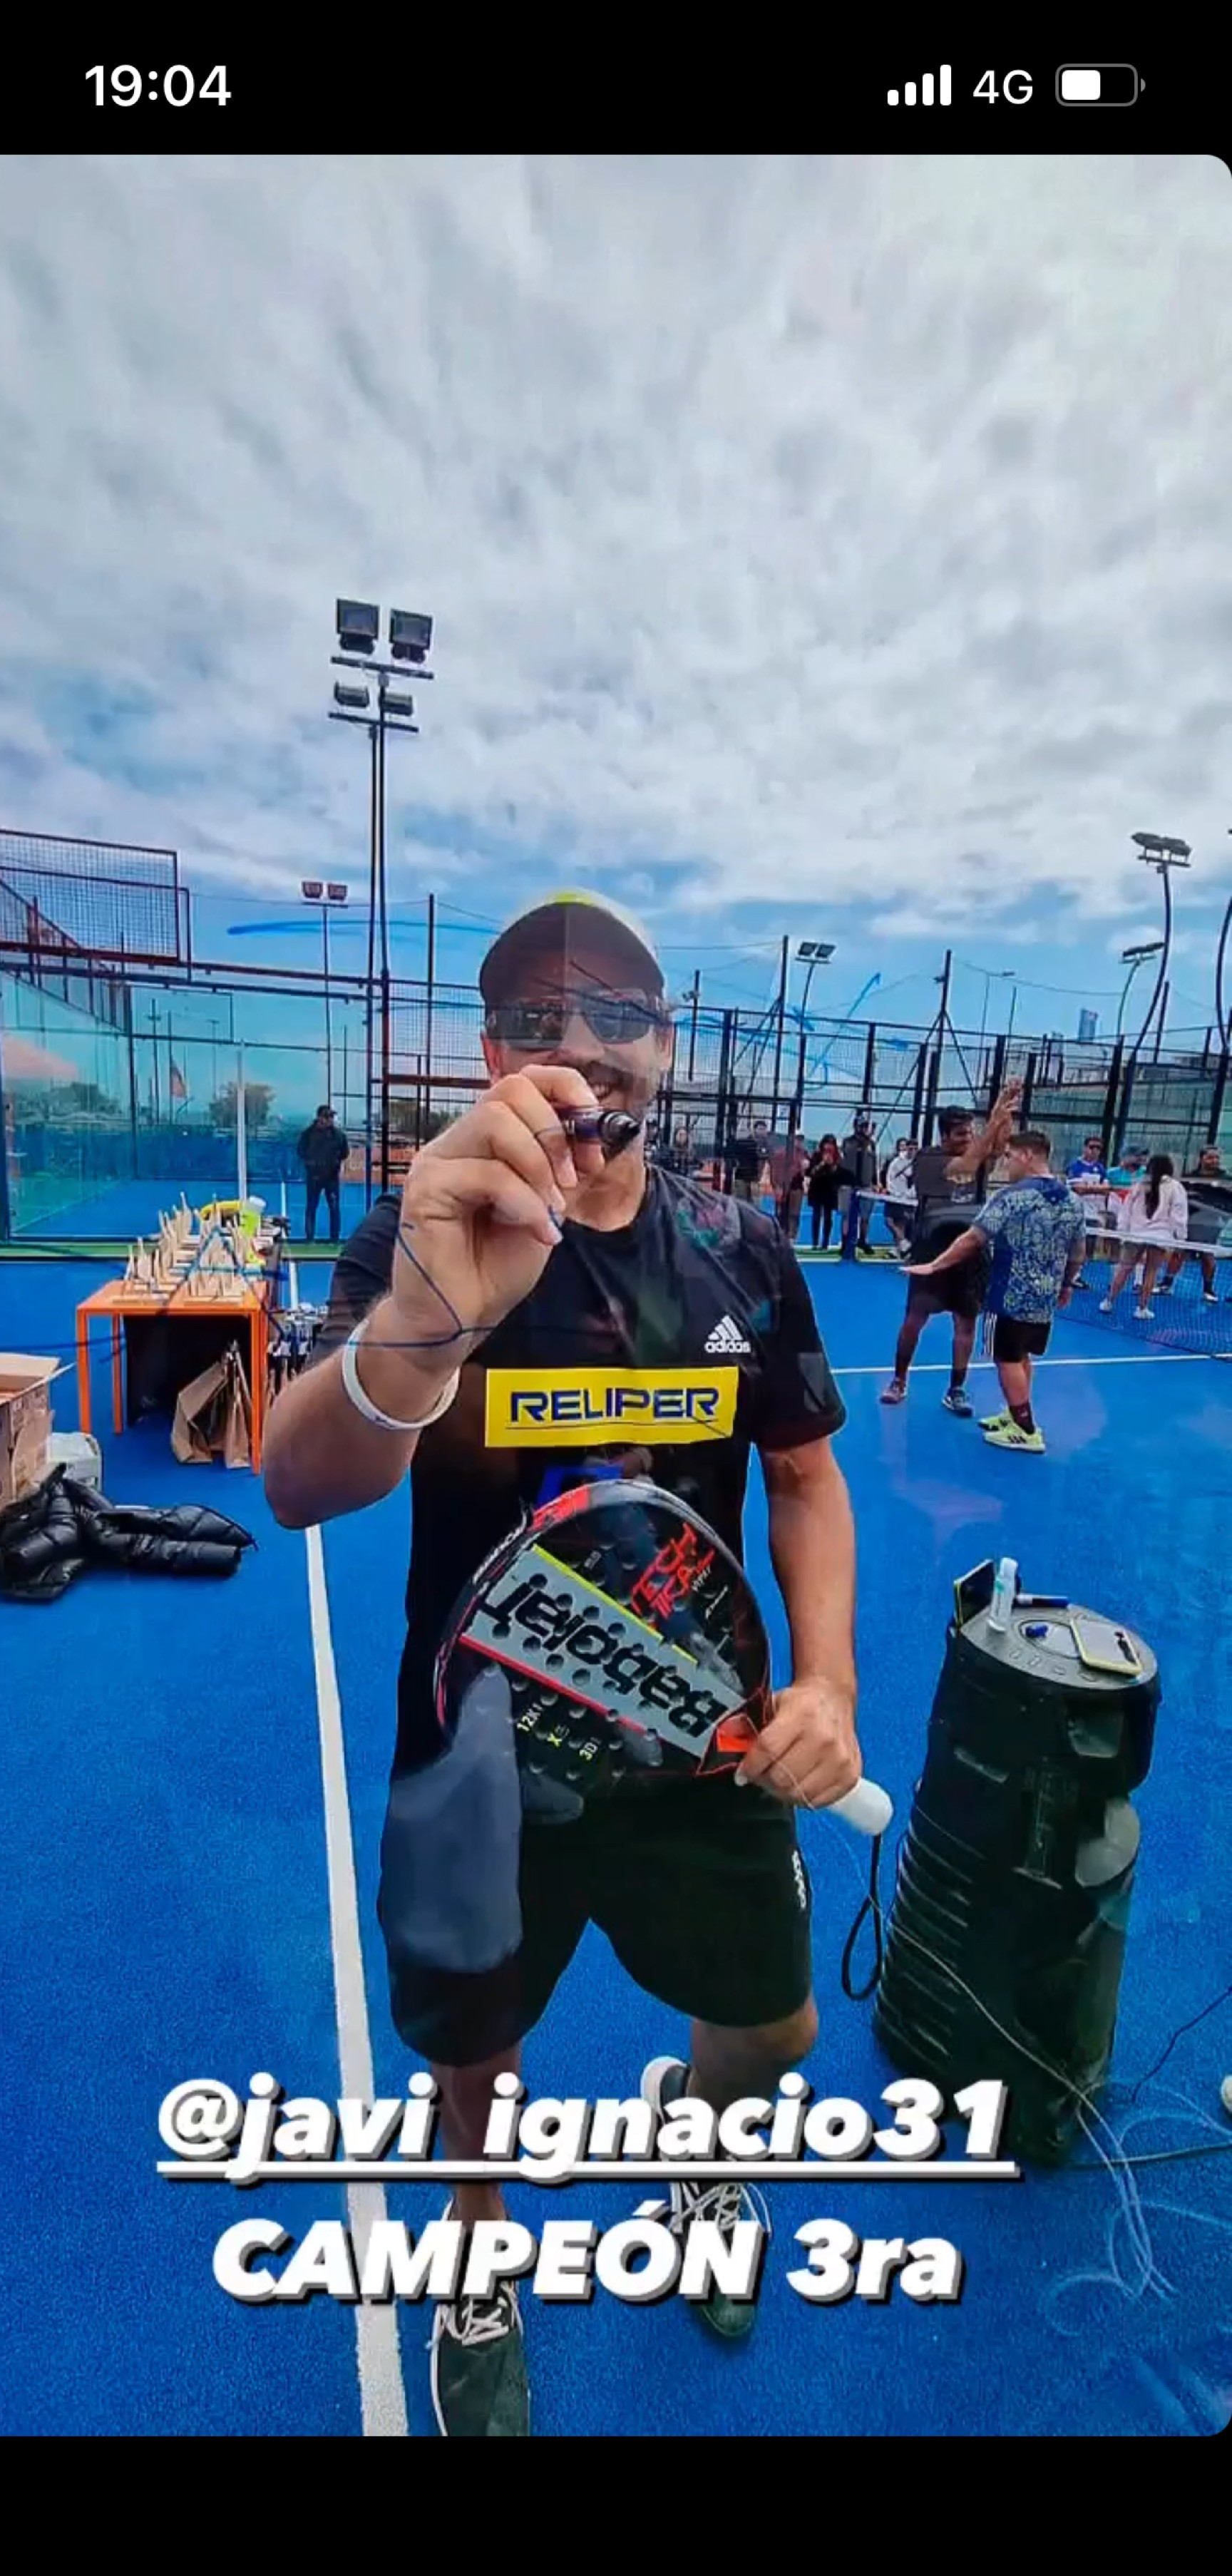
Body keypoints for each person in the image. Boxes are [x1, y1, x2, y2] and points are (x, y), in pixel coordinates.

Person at [263, 888, 860, 2438]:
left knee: (777, 2032)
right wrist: (423, 1323)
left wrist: (829, 1684)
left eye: (617, 1014)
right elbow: (297, 1482)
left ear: (667, 1045)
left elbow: (805, 1477)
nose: (579, 1041)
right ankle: (477, 2250)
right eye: (536, 1015)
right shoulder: (421, 1229)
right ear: (490, 1051)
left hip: (698, 1737)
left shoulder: (739, 1247)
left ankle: (695, 2143)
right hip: (476, 1754)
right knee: (481, 2058)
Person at [910, 1129, 1085, 1454]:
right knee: (1022, 1354)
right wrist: (1067, 1284)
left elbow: (974, 1239)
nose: (1006, 1163)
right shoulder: (1073, 1201)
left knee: (1006, 1359)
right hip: (1045, 1297)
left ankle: (1025, 1430)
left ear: (1027, 1156)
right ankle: (1014, 1413)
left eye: (1009, 1156)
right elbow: (1078, 1252)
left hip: (1008, 1295)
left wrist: (935, 1266)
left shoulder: (1011, 1197)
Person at [879, 1082, 1022, 1413]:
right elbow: (967, 1166)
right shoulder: (929, 1160)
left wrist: (1005, 1108)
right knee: (914, 1320)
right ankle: (899, 1380)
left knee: (965, 1324)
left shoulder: (978, 1156)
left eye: (970, 1132)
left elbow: (998, 1144)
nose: (967, 1138)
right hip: (931, 1252)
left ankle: (956, 1389)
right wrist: (994, 1118)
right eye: (960, 1134)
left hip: (971, 1255)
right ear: (944, 1136)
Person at [1101, 1152, 1188, 1318]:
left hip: (1137, 1235)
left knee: (1124, 1268)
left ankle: (1108, 1302)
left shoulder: (1139, 1185)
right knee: (1151, 1272)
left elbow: (1125, 1211)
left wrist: (1123, 1232)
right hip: (1159, 1237)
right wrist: (1181, 1239)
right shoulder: (1175, 1187)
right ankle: (1141, 1309)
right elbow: (1179, 1216)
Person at [1159, 1148, 1229, 1307]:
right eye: (1210, 1158)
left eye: (1217, 1158)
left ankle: (1208, 1290)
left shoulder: (1226, 1180)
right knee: (1179, 1252)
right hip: (1188, 1221)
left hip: (1210, 1223)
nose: (1214, 1161)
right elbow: (1180, 1197)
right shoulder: (1190, 1177)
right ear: (1202, 1158)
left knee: (1207, 1255)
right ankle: (1166, 1284)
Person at [297, 1103, 349, 1243]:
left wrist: (334, 1163)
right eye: (327, 1117)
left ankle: (334, 1238)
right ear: (319, 1118)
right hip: (314, 1177)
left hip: (331, 1178)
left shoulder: (338, 1135)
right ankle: (309, 1238)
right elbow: (301, 1151)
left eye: (331, 1117)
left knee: (334, 1207)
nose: (330, 1120)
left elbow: (345, 1153)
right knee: (311, 1207)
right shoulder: (308, 1134)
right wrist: (311, 1163)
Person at [1064, 1134, 1110, 1280]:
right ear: (1085, 1148)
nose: (1095, 1151)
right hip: (1077, 1212)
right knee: (1076, 1246)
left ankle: (1078, 1275)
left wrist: (1089, 1188)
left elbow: (1106, 1189)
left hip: (1094, 1213)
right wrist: (1096, 1189)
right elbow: (1078, 1189)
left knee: (1089, 1248)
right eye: (1092, 1147)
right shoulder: (1075, 1167)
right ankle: (1071, 1276)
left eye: (1098, 1148)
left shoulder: (1100, 1168)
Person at [838, 1114, 879, 1258]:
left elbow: (874, 1164)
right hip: (848, 1184)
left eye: (865, 1126)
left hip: (866, 1185)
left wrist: (875, 1182)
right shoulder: (848, 1142)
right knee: (847, 1216)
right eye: (861, 1126)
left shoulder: (871, 1144)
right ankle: (845, 1242)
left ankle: (862, 1240)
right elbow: (848, 1155)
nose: (863, 1129)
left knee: (866, 1216)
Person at [881, 1139, 917, 1258]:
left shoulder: (918, 1163)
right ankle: (904, 1243)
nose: (913, 1151)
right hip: (894, 1196)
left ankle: (899, 1249)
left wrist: (910, 1195)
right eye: (910, 1148)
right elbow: (890, 1178)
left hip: (908, 1198)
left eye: (915, 1149)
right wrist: (892, 1193)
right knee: (889, 1221)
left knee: (902, 1223)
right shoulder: (897, 1162)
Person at [806, 1135, 843, 1251]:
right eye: (827, 1143)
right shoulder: (817, 1155)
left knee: (828, 1217)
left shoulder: (837, 1157)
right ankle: (815, 1242)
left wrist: (832, 1165)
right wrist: (822, 1163)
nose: (829, 1146)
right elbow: (811, 1172)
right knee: (816, 1216)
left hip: (830, 1189)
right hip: (817, 1188)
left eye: (831, 1144)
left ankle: (825, 1242)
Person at [730, 1117, 771, 1202]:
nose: (762, 1132)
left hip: (755, 1179)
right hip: (742, 1176)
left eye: (764, 1129)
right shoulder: (744, 1143)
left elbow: (765, 1161)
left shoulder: (766, 1145)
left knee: (755, 1202)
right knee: (741, 1201)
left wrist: (761, 1177)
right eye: (760, 1129)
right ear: (755, 1130)